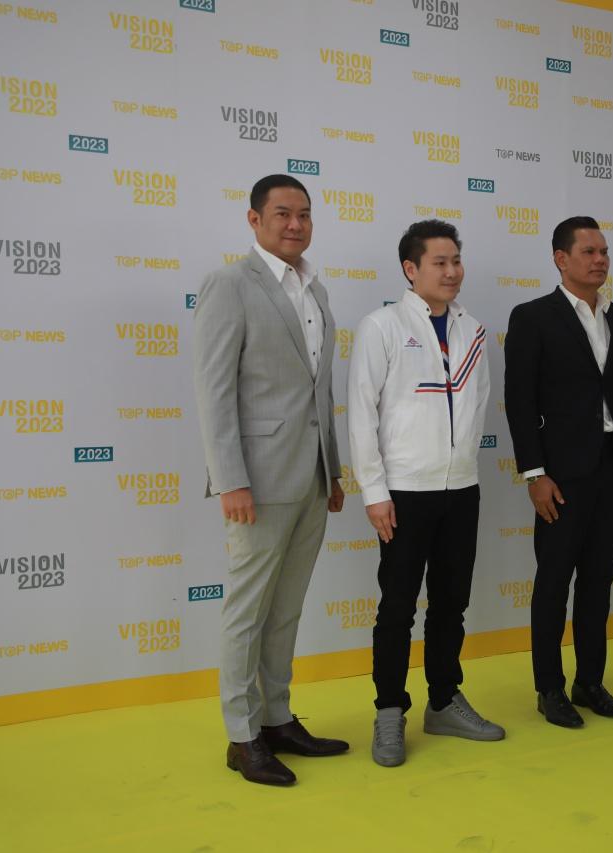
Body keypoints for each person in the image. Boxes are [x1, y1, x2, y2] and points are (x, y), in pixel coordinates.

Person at [193, 174, 348, 787]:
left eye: (304, 213)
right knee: (248, 611)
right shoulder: (229, 284)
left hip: (311, 476)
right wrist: (229, 478)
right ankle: (242, 735)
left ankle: (277, 718)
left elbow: (318, 390)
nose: (295, 224)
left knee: (285, 610)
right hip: (256, 481)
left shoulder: (316, 289)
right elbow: (214, 390)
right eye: (282, 213)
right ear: (254, 220)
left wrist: (333, 470)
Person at [348, 220, 503, 767]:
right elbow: (361, 412)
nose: (452, 271)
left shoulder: (472, 329)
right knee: (397, 607)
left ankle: (443, 701)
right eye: (440, 262)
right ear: (410, 269)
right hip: (405, 492)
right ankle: (389, 710)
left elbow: (478, 404)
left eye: (456, 260)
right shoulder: (382, 326)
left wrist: (462, 468)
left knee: (451, 604)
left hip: (461, 489)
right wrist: (374, 491)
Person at [504, 216, 613, 728]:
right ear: (560, 259)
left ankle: (591, 681)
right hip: (561, 474)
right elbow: (520, 401)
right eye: (589, 251)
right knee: (553, 582)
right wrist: (535, 474)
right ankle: (549, 688)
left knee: (599, 581)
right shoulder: (533, 317)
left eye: (604, 251)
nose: (600, 260)